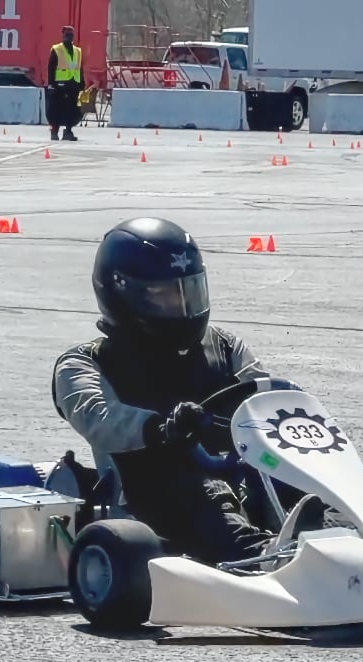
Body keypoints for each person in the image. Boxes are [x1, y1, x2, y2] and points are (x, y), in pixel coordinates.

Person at [52, 218, 326, 564]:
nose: (182, 306)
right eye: (165, 295)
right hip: (148, 496)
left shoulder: (224, 346)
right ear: (119, 293)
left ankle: (338, 538)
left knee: (293, 466)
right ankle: (262, 555)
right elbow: (101, 418)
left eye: (189, 291)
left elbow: (258, 396)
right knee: (197, 485)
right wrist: (164, 427)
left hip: (235, 467)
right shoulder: (85, 363)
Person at [46, 25, 84, 141]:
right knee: (56, 109)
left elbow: (79, 68)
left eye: (71, 35)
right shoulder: (57, 49)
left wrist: (82, 83)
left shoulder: (78, 51)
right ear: (63, 35)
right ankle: (54, 131)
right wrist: (51, 83)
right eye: (67, 35)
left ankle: (68, 131)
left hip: (73, 84)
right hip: (60, 84)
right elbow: (51, 68)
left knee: (72, 109)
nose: (69, 37)